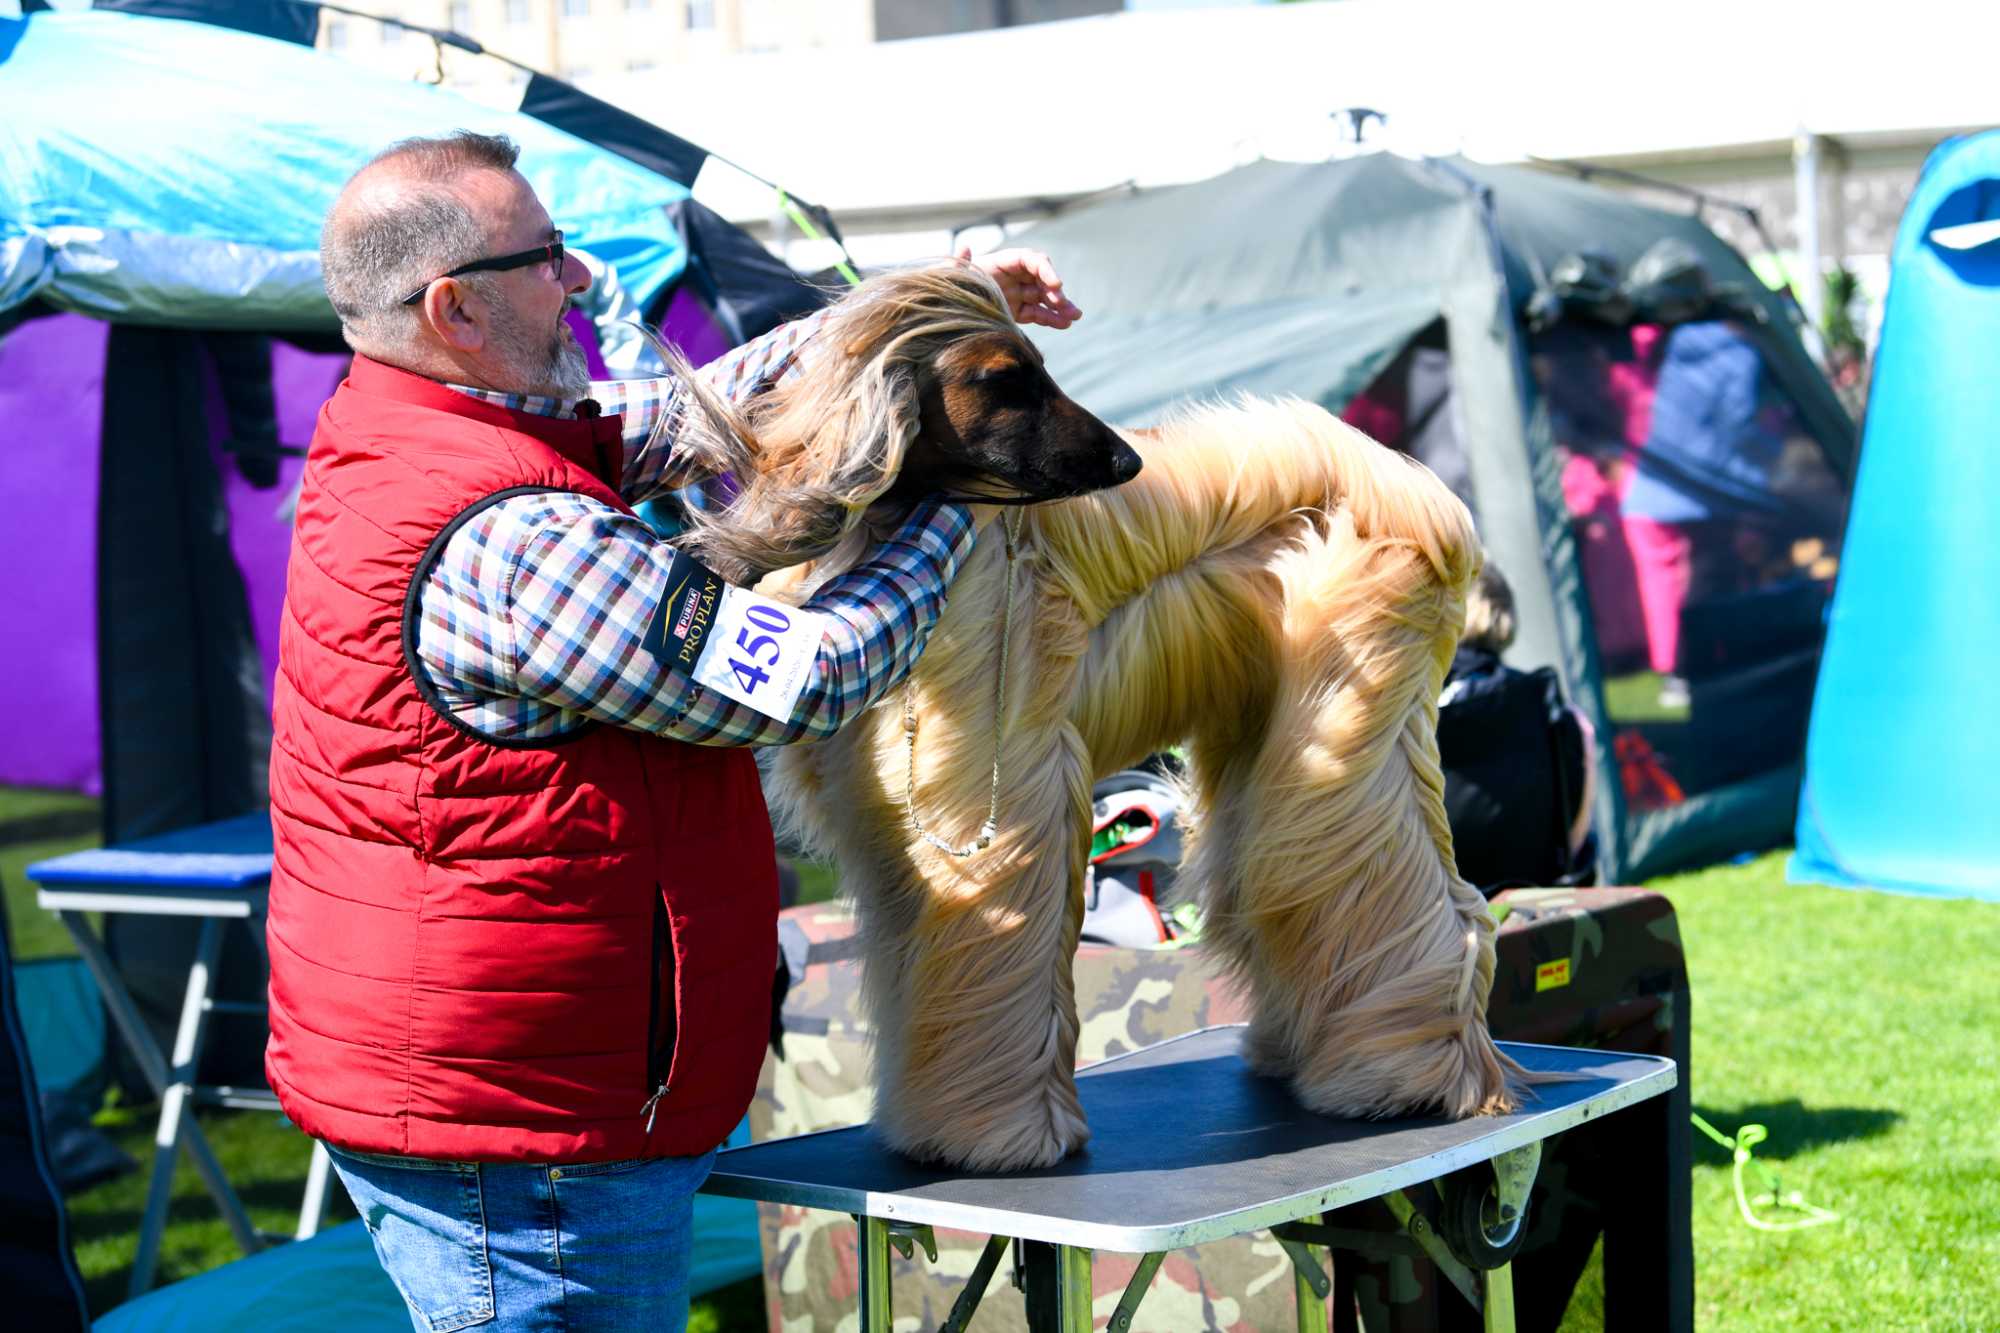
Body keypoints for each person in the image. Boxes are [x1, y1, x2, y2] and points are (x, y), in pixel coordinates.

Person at [264, 131, 1081, 1333]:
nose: (582, 280)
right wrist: (956, 493)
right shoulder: (512, 533)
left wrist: (921, 312)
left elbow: (702, 414)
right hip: (531, 1129)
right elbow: (803, 672)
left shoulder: (417, 427)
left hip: (502, 1090)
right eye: (547, 256)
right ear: (455, 306)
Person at [1437, 562, 1597, 891]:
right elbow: (1573, 844)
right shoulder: (1549, 707)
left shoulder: (1413, 717)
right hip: (1536, 919)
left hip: (1441, 919)